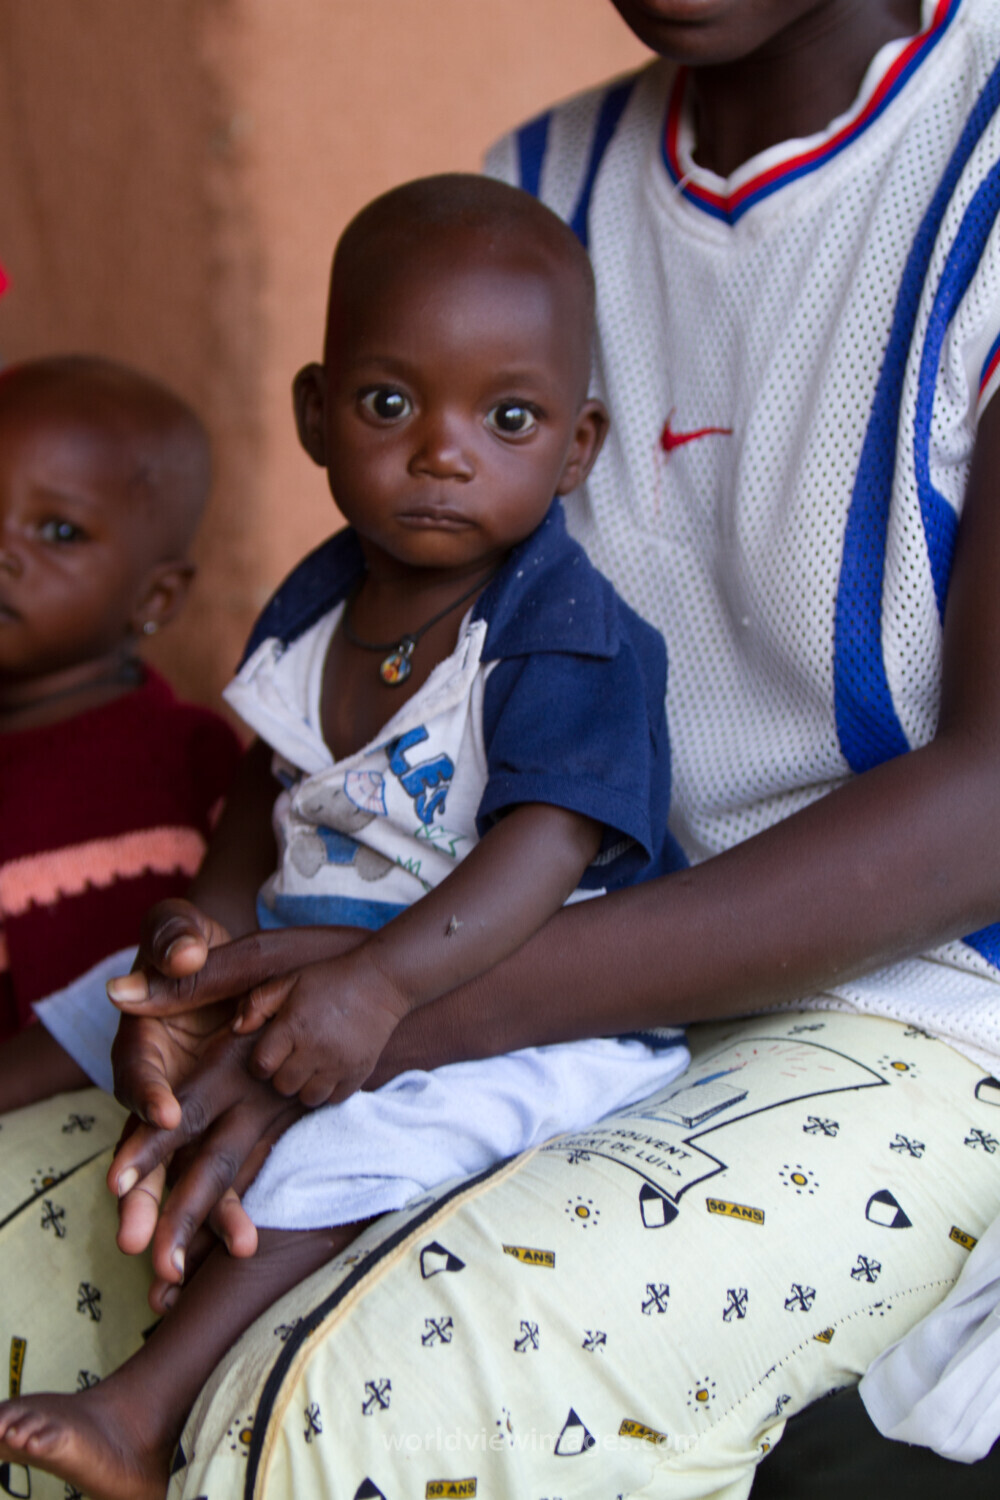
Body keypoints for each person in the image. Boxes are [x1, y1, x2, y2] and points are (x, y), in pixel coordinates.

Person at [3, 0, 1000, 1495]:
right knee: (25, 1263)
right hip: (502, 950)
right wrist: (280, 970)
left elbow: (987, 810)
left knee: (333, 1412)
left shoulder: (974, 164)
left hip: (917, 1009)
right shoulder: (543, 183)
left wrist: (389, 1003)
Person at [0, 174, 695, 1500]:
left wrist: (375, 988)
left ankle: (143, 1413)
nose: (444, 451)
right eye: (391, 405)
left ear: (578, 444)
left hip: (514, 995)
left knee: (329, 1148)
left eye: (507, 418)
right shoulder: (315, 610)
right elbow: (266, 805)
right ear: (318, 415)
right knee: (101, 999)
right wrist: (194, 937)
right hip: (330, 945)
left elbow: (546, 853)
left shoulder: (566, 632)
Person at [0, 355, 241, 1105]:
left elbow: (206, 986)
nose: (6, 550)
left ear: (156, 595)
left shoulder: (190, 760)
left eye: (59, 530)